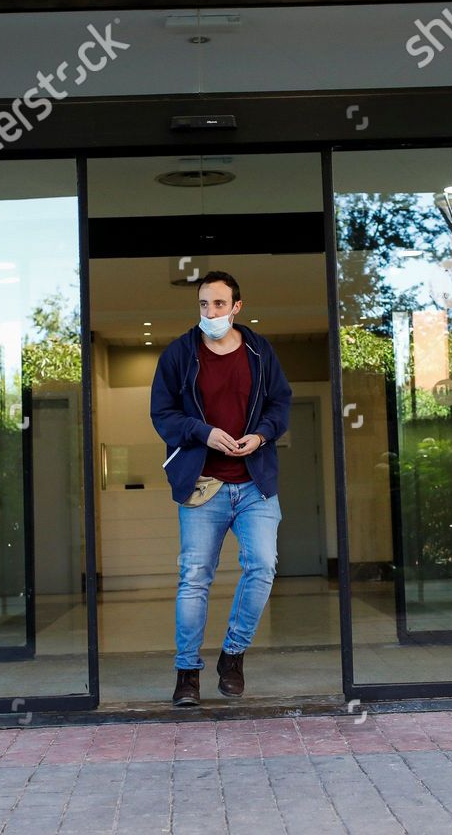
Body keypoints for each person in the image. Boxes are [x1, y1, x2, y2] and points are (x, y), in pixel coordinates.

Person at [149, 270, 292, 707]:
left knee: (263, 566)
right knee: (194, 579)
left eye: (217, 304)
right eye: (203, 305)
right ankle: (187, 673)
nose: (209, 312)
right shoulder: (179, 353)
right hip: (203, 486)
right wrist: (201, 432)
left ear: (236, 307)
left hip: (255, 484)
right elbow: (162, 413)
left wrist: (262, 435)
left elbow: (279, 402)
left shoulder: (258, 350)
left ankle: (232, 655)